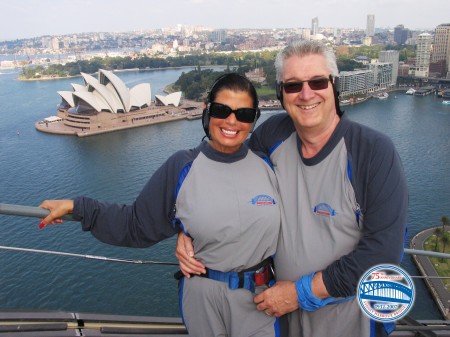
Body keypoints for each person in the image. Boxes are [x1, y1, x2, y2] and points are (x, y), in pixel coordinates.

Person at [176, 41, 409, 337]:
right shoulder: (273, 134)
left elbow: (382, 256)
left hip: (348, 318)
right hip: (278, 314)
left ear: (333, 86)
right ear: (280, 93)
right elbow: (221, 175)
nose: (306, 94)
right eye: (293, 85)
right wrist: (185, 227)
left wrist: (299, 293)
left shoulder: (373, 152)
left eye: (317, 81)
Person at [38, 73, 282, 337]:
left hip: (262, 298)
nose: (232, 121)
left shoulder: (268, 164)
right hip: (204, 296)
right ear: (207, 110)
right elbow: (136, 224)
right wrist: (79, 207)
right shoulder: (182, 166)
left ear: (254, 119)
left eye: (244, 114)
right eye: (222, 110)